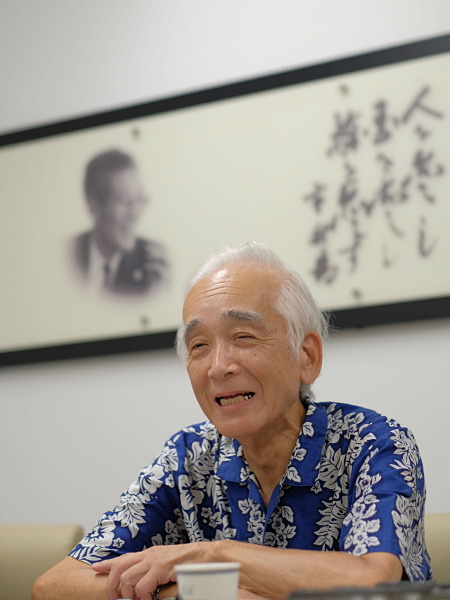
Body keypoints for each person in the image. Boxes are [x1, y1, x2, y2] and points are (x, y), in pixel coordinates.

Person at [34, 242, 432, 600]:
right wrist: (190, 593)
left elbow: (371, 581)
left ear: (306, 356)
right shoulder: (188, 457)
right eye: (199, 345)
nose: (218, 366)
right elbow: (53, 586)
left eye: (243, 337)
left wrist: (212, 557)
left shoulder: (375, 444)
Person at [71, 149, 169, 297]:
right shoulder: (71, 253)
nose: (135, 214)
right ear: (95, 207)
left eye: (139, 199)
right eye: (125, 200)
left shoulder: (151, 265)